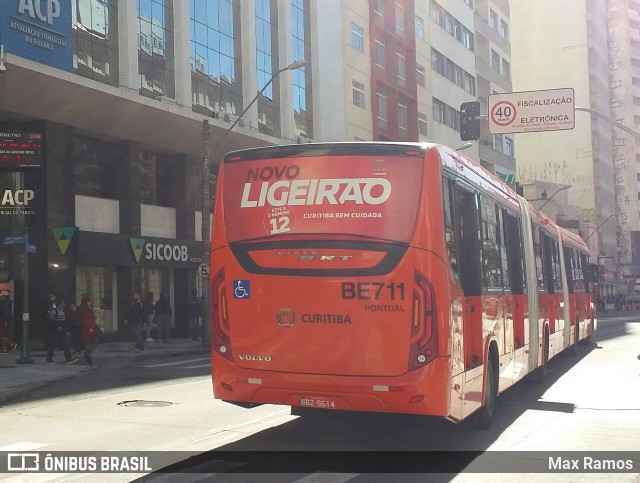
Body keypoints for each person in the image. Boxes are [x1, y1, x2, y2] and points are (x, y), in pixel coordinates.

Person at [46, 298, 78, 364]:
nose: (65, 304)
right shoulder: (54, 311)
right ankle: (49, 360)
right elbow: (51, 321)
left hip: (63, 331)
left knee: (66, 344)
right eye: (63, 303)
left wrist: (67, 330)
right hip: (55, 331)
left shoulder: (63, 311)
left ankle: (69, 359)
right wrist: (57, 327)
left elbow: (65, 322)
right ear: (60, 304)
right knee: (52, 345)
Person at [79, 294, 99, 364]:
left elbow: (90, 318)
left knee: (92, 341)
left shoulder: (89, 308)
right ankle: (87, 355)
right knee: (90, 341)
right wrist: (89, 328)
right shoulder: (84, 309)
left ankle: (87, 354)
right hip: (87, 328)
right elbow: (85, 320)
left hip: (90, 327)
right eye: (88, 301)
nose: (90, 302)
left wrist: (94, 318)